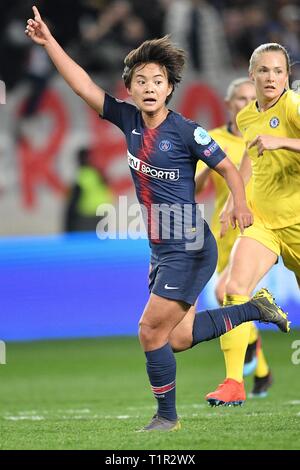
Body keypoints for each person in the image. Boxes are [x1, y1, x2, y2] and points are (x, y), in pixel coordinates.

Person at [25, 8, 290, 431]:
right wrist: (49, 41)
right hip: (161, 247)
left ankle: (167, 418)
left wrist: (240, 204)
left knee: (150, 331)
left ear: (169, 89)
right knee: (179, 338)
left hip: (188, 245)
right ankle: (253, 308)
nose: (150, 88)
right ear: (129, 89)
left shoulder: (186, 131)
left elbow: (226, 166)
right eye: (141, 81)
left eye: (158, 82)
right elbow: (82, 86)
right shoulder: (127, 120)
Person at [205, 43, 300, 407]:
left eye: (278, 71)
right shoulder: (247, 118)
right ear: (252, 75)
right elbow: (249, 154)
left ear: (287, 75)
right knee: (234, 288)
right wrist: (235, 198)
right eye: (264, 70)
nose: (271, 77)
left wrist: (283, 141)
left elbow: (272, 142)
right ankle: (233, 382)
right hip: (265, 223)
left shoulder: (292, 107)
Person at [195, 78, 273, 402]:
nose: (244, 103)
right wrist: (204, 170)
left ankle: (239, 377)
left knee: (228, 292)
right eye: (239, 98)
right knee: (229, 296)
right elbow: (197, 189)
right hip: (226, 232)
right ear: (229, 104)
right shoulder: (213, 140)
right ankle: (262, 369)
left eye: (249, 98)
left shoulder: (268, 137)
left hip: (262, 230)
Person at [64, 147, 114, 232]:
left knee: (85, 242)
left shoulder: (83, 175)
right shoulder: (98, 173)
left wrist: (69, 220)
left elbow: (75, 199)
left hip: (87, 215)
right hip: (102, 213)